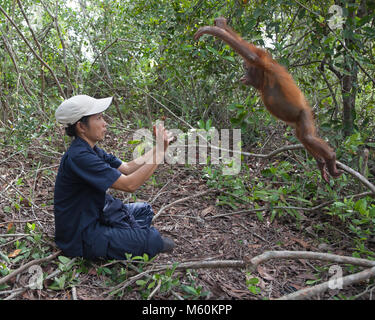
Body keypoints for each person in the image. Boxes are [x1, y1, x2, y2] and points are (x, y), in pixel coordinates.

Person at [53, 94, 175, 260]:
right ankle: (130, 238)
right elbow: (130, 185)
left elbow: (127, 168)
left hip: (96, 214)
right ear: (81, 127)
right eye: (99, 118)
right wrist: (160, 153)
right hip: (81, 234)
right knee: (153, 240)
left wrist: (160, 147)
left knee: (144, 210)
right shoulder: (79, 156)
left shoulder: (91, 149)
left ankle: (126, 236)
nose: (105, 123)